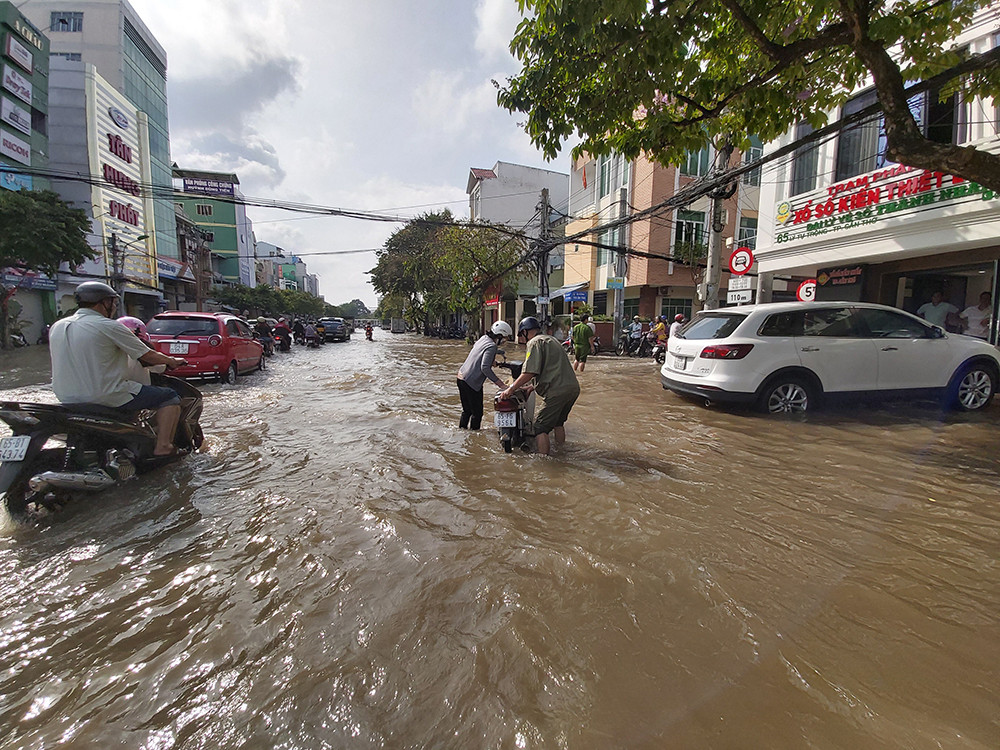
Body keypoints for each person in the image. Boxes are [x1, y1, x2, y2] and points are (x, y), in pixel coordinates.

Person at [49, 282, 187, 456]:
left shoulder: (57, 326)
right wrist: (172, 361)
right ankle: (164, 446)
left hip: (66, 397)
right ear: (104, 302)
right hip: (105, 395)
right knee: (169, 396)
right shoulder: (108, 326)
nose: (114, 307)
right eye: (113, 303)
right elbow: (147, 355)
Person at [499, 316, 581, 456]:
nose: (522, 339)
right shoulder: (551, 339)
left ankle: (544, 462)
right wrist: (531, 388)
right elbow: (550, 368)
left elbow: (530, 371)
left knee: (539, 428)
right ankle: (562, 452)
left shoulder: (534, 343)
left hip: (557, 392)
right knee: (558, 423)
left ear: (525, 332)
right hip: (572, 389)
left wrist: (510, 389)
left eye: (521, 335)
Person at [457, 320, 512, 430]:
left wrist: (494, 360)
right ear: (499, 335)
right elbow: (485, 368)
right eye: (505, 338)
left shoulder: (483, 339)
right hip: (471, 382)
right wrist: (501, 385)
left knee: (467, 411)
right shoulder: (492, 346)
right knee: (477, 414)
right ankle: (474, 437)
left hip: (461, 377)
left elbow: (479, 353)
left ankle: (462, 433)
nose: (504, 341)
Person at [117, 316, 166, 386]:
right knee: (170, 393)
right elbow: (160, 368)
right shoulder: (140, 351)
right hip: (136, 390)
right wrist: (170, 362)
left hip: (113, 390)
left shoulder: (108, 349)